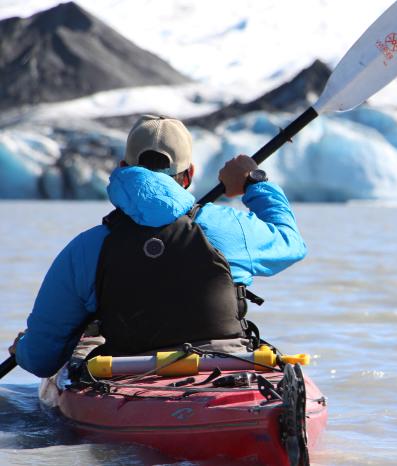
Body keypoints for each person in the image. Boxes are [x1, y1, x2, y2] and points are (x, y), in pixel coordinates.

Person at [8, 115, 307, 377]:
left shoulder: (86, 250)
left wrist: (23, 349)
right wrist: (255, 182)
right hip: (227, 368)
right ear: (189, 175)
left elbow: (42, 359)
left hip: (126, 376)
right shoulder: (226, 228)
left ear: (124, 168)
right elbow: (291, 242)